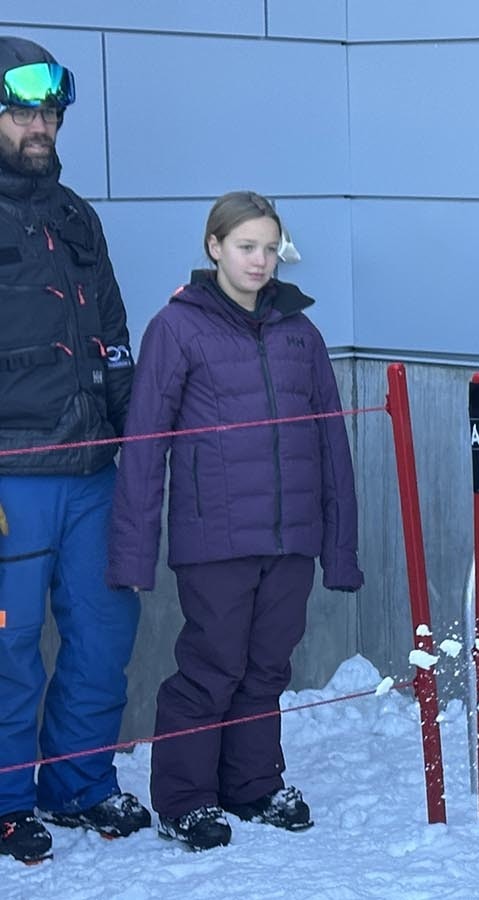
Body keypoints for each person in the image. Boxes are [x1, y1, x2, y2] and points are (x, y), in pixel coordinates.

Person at [107, 191, 362, 851]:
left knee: (267, 667)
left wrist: (340, 547)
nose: (259, 260)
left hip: (290, 536)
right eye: (246, 246)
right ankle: (185, 799)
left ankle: (251, 783)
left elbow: (332, 443)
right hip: (214, 537)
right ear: (214, 247)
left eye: (270, 248)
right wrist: (133, 553)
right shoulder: (178, 328)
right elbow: (144, 442)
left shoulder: (300, 334)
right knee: (212, 666)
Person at [0, 36, 148, 864]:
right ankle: (5, 798)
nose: (40, 125)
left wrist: (139, 441)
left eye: (50, 111)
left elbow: (114, 336)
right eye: (23, 110)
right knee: (7, 645)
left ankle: (79, 782)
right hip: (11, 474)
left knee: (101, 632)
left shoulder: (73, 216)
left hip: (94, 469)